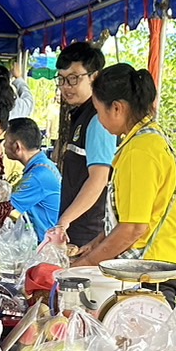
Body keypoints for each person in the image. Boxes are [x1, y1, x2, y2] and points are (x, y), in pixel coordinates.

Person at [72, 63, 176, 296]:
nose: (99, 119)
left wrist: (82, 266)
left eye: (98, 110)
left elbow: (134, 227)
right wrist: (96, 244)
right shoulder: (145, 140)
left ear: (117, 108)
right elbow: (128, 217)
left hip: (152, 269)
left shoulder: (141, 150)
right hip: (154, 264)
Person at [48, 40, 114, 251]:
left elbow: (99, 179)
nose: (66, 86)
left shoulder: (98, 120)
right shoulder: (81, 115)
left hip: (88, 234)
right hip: (75, 230)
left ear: (94, 76)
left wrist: (63, 222)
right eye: (61, 79)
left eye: (74, 79)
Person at [3, 118, 61, 240]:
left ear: (17, 146)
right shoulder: (43, 165)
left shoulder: (38, 176)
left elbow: (6, 208)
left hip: (43, 246)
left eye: (6, 141)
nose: (3, 145)